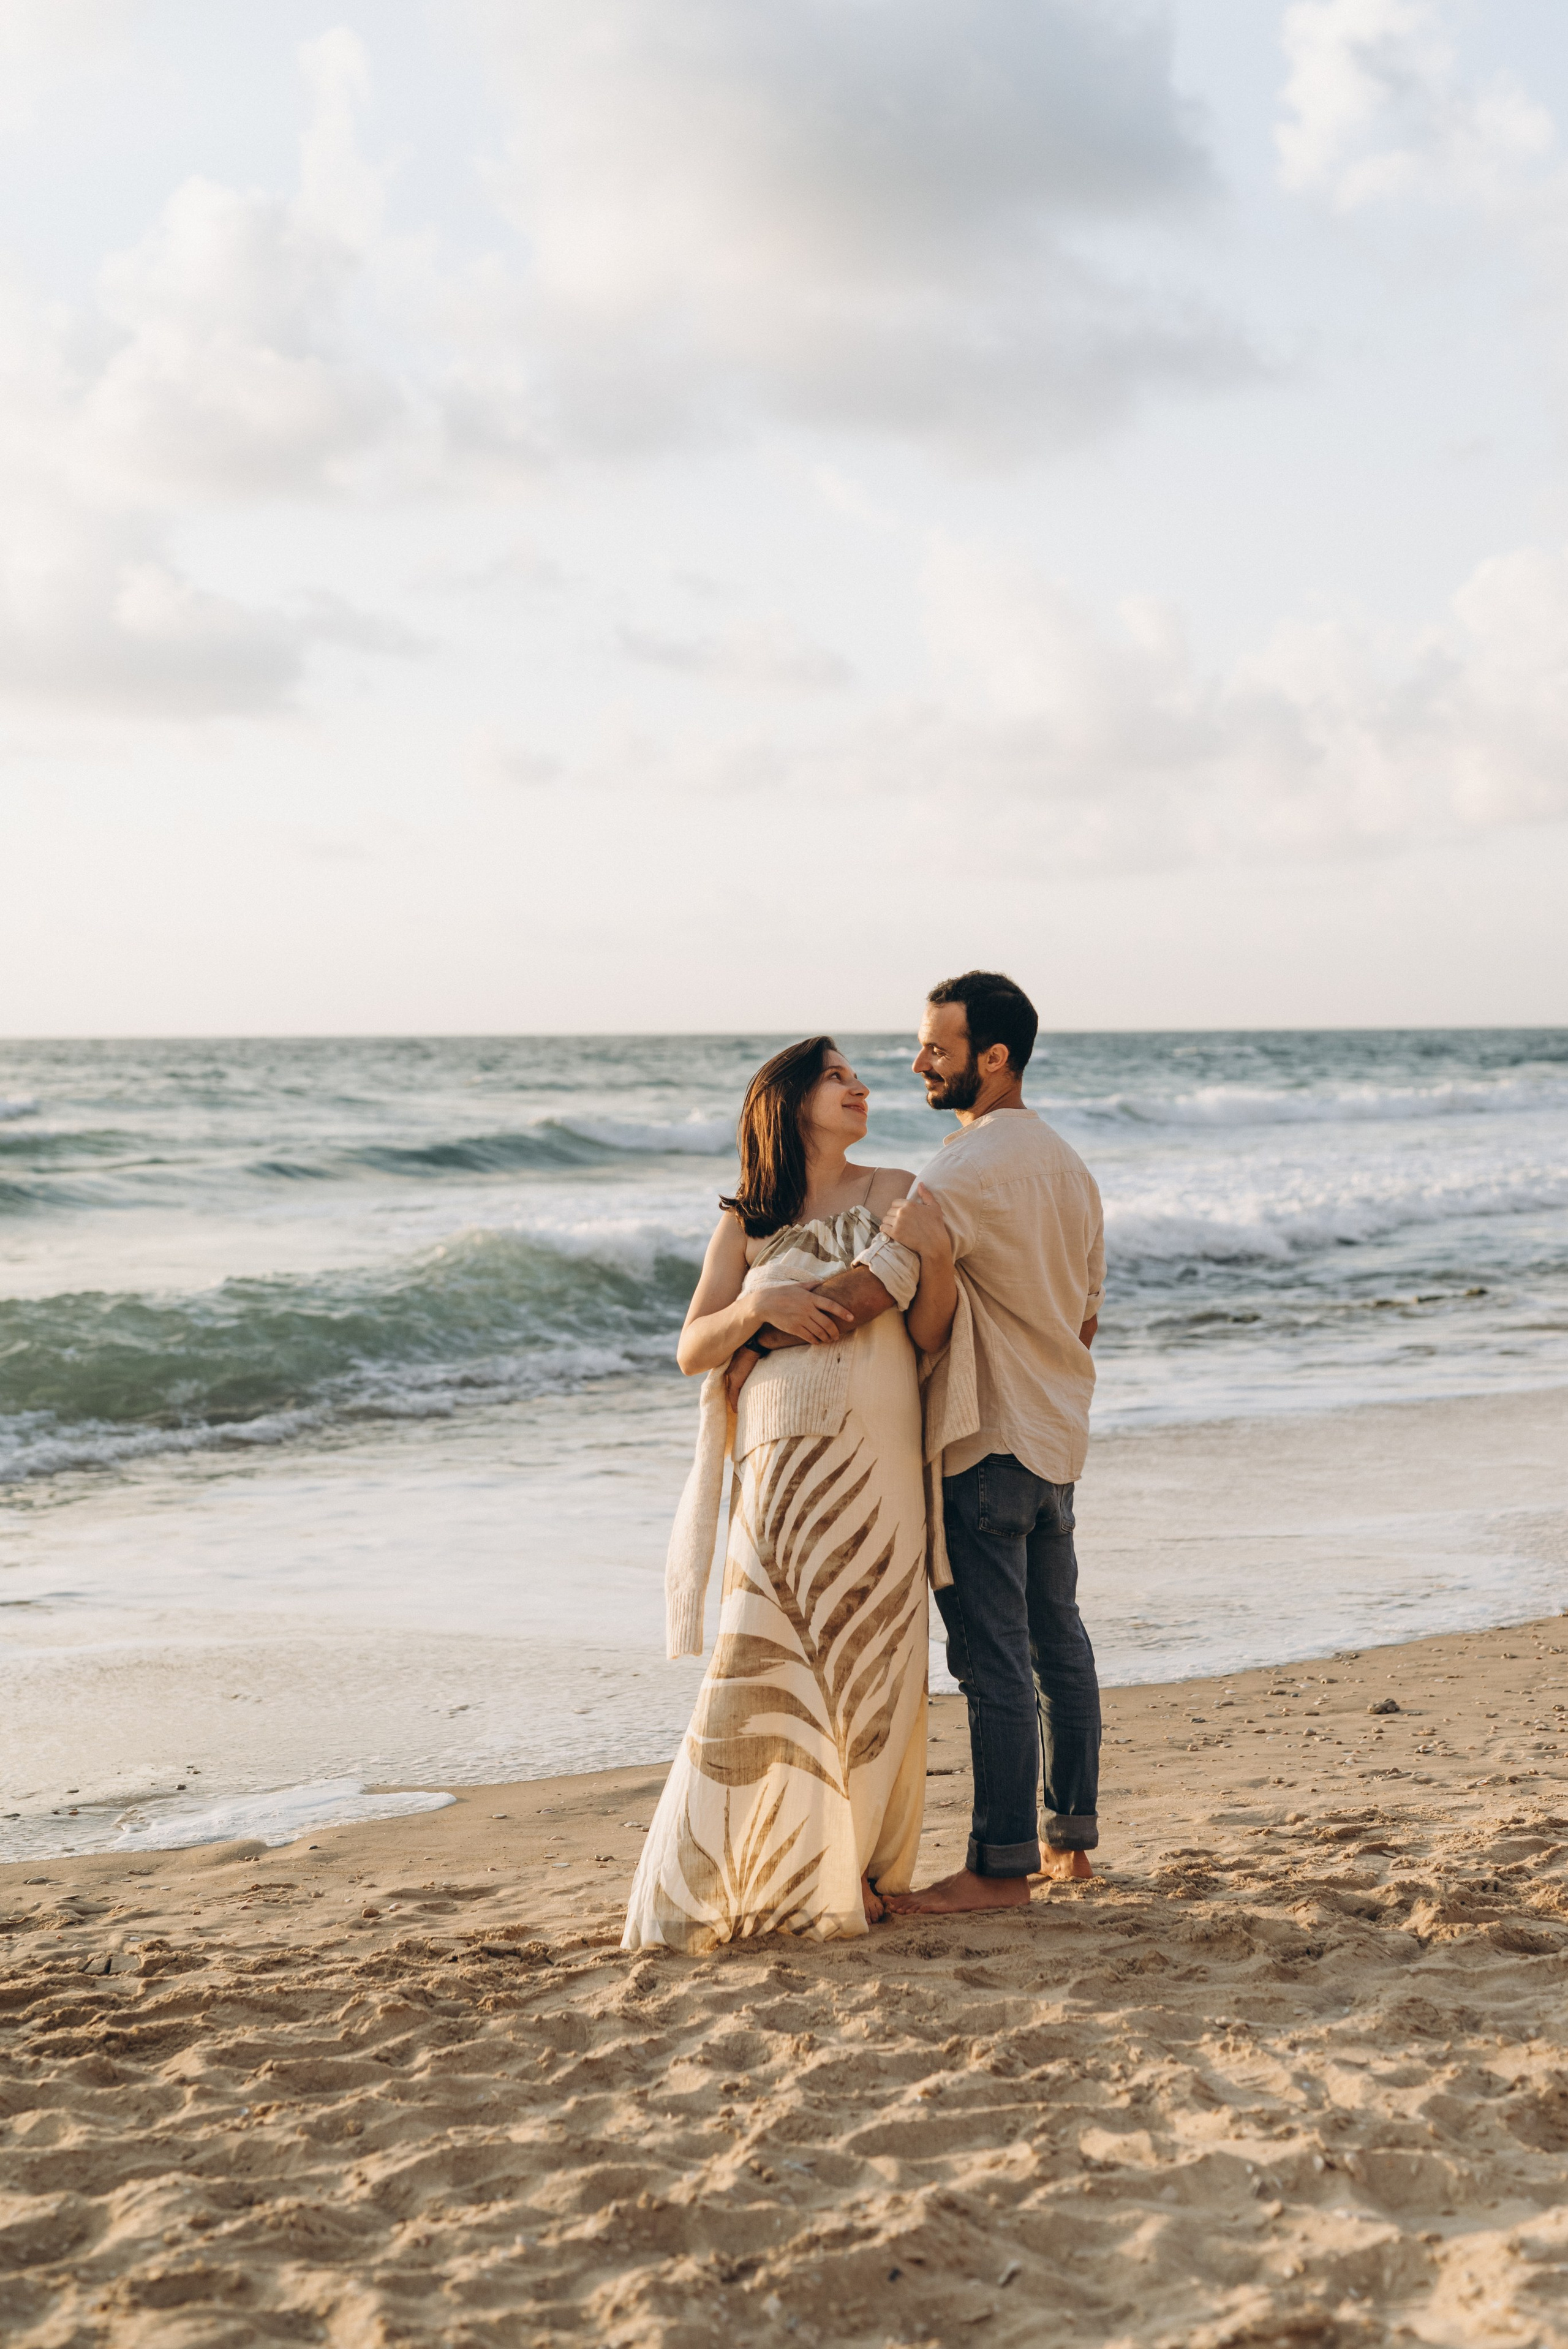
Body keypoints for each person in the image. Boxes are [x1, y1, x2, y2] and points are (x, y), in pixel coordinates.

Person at [622, 1037, 951, 1952]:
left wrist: (785, 1326)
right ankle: (734, 1870)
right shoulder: (747, 1221)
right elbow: (693, 1348)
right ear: (791, 1098)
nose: (861, 1088)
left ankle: (855, 1871)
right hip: (776, 1466)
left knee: (872, 1649)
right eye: (840, 1076)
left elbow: (926, 1321)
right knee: (762, 1654)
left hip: (875, 1455)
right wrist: (760, 1312)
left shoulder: (894, 1189)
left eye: (857, 1077)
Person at [862, 971, 1106, 1918]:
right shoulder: (1071, 1169)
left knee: (994, 1662)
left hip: (986, 1442)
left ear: (991, 1058)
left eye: (937, 1047)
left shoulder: (959, 1172)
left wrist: (761, 1322)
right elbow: (1084, 1325)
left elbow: (875, 1292)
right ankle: (1068, 1846)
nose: (919, 1062)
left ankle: (1000, 1871)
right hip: (1055, 1440)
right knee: (1060, 1645)